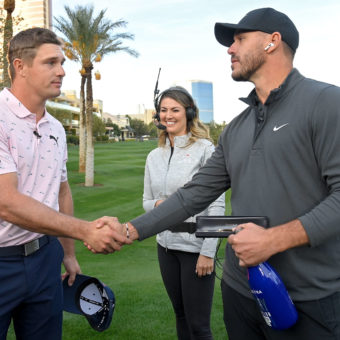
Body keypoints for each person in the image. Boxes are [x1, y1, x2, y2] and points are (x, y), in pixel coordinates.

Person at [92, 7, 340, 340]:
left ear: (272, 42)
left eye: (240, 39)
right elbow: (193, 195)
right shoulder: (237, 128)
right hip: (240, 291)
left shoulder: (326, 103)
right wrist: (129, 230)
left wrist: (273, 240)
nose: (230, 49)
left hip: (309, 296)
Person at [0, 28, 129, 340]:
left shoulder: (55, 127)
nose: (61, 71)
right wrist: (85, 230)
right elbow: (6, 202)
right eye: (50, 63)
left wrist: (68, 253)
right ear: (20, 66)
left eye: (61, 63)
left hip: (45, 258)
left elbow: (61, 190)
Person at [144, 86, 225, 339]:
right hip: (165, 247)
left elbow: (217, 204)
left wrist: (208, 252)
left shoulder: (205, 150)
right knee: (180, 315)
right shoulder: (153, 156)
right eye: (164, 110)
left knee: (199, 325)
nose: (168, 115)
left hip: (195, 249)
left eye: (175, 110)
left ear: (188, 112)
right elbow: (146, 201)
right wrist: (160, 207)